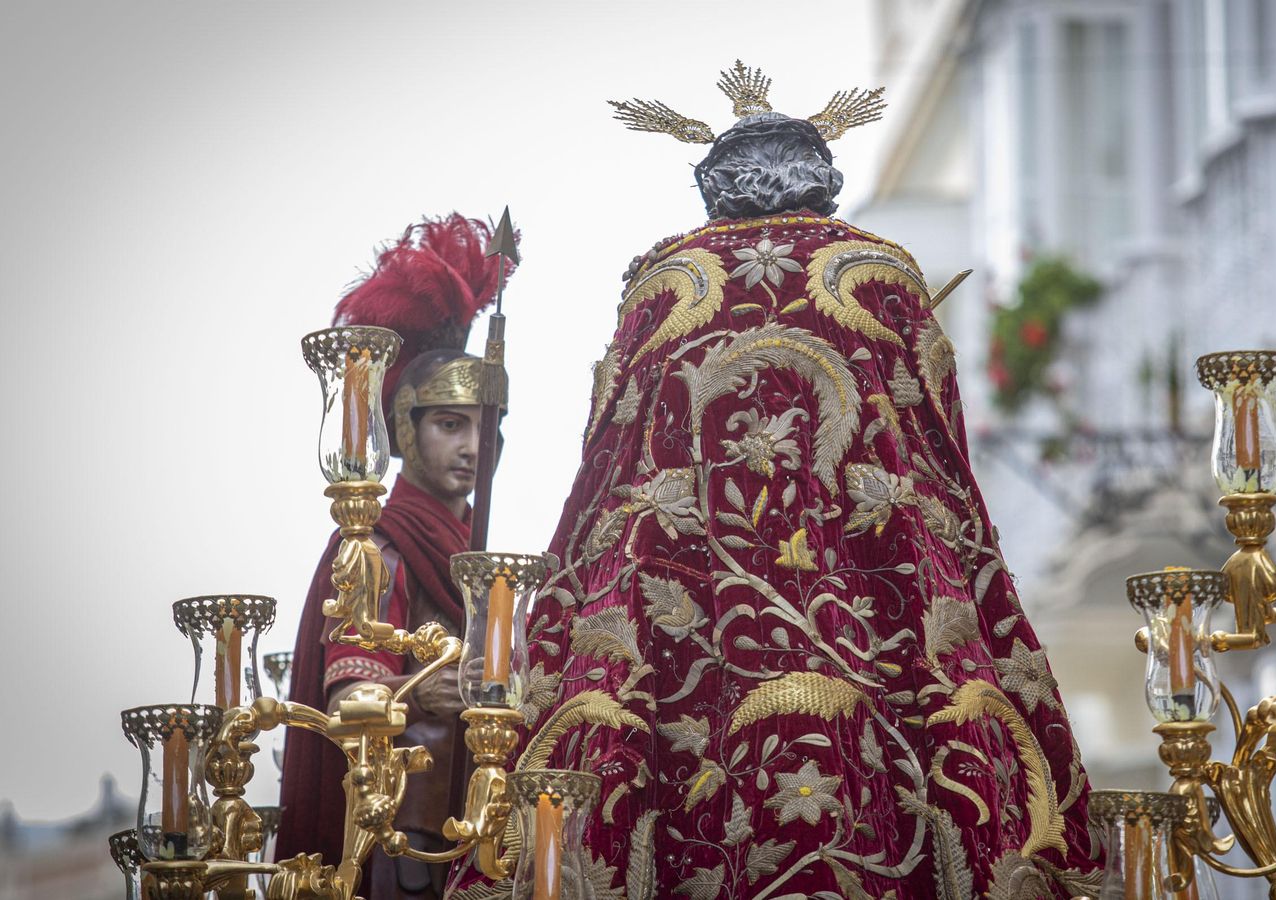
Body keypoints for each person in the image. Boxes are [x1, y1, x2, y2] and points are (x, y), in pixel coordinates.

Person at [448, 63, 1102, 900]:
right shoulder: (882, 278)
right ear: (820, 180)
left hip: (679, 638)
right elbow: (945, 468)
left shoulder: (664, 288)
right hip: (884, 622)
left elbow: (608, 477)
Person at [278, 214, 515, 900]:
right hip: (404, 846)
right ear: (406, 433)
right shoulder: (380, 548)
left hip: (489, 835)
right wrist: (415, 691)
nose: (474, 447)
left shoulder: (486, 559)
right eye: (450, 424)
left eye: (487, 426)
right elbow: (352, 697)